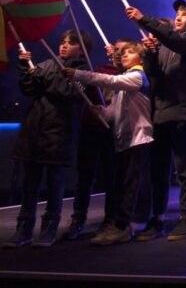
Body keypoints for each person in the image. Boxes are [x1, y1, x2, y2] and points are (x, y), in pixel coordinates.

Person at [3, 30, 91, 248]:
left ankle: (49, 228)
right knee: (30, 183)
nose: (64, 46)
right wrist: (25, 68)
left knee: (54, 183)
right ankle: (23, 230)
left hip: (60, 132)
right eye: (62, 42)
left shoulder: (82, 70)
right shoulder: (47, 64)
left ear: (81, 48)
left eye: (70, 43)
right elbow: (29, 89)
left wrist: (40, 76)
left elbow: (63, 90)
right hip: (35, 129)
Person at [62, 40, 154, 246]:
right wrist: (102, 111)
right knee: (121, 185)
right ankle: (118, 225)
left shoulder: (137, 77)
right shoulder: (125, 79)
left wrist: (78, 74)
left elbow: (107, 80)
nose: (123, 55)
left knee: (129, 185)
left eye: (129, 52)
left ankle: (122, 228)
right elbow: (114, 111)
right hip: (125, 140)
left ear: (141, 58)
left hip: (138, 139)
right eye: (122, 53)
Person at [129, 0, 186, 242]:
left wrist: (146, 20)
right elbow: (154, 76)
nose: (179, 17)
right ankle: (158, 218)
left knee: (184, 169)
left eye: (185, 14)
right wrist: (152, 54)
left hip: (182, 113)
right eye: (177, 14)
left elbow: (177, 41)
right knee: (158, 171)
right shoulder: (166, 43)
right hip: (159, 114)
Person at [63, 37, 119, 242]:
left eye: (122, 51)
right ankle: (78, 218)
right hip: (90, 128)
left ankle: (110, 219)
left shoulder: (131, 73)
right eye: (116, 50)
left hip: (113, 130)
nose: (117, 54)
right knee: (85, 177)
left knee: (112, 177)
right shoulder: (96, 69)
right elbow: (78, 87)